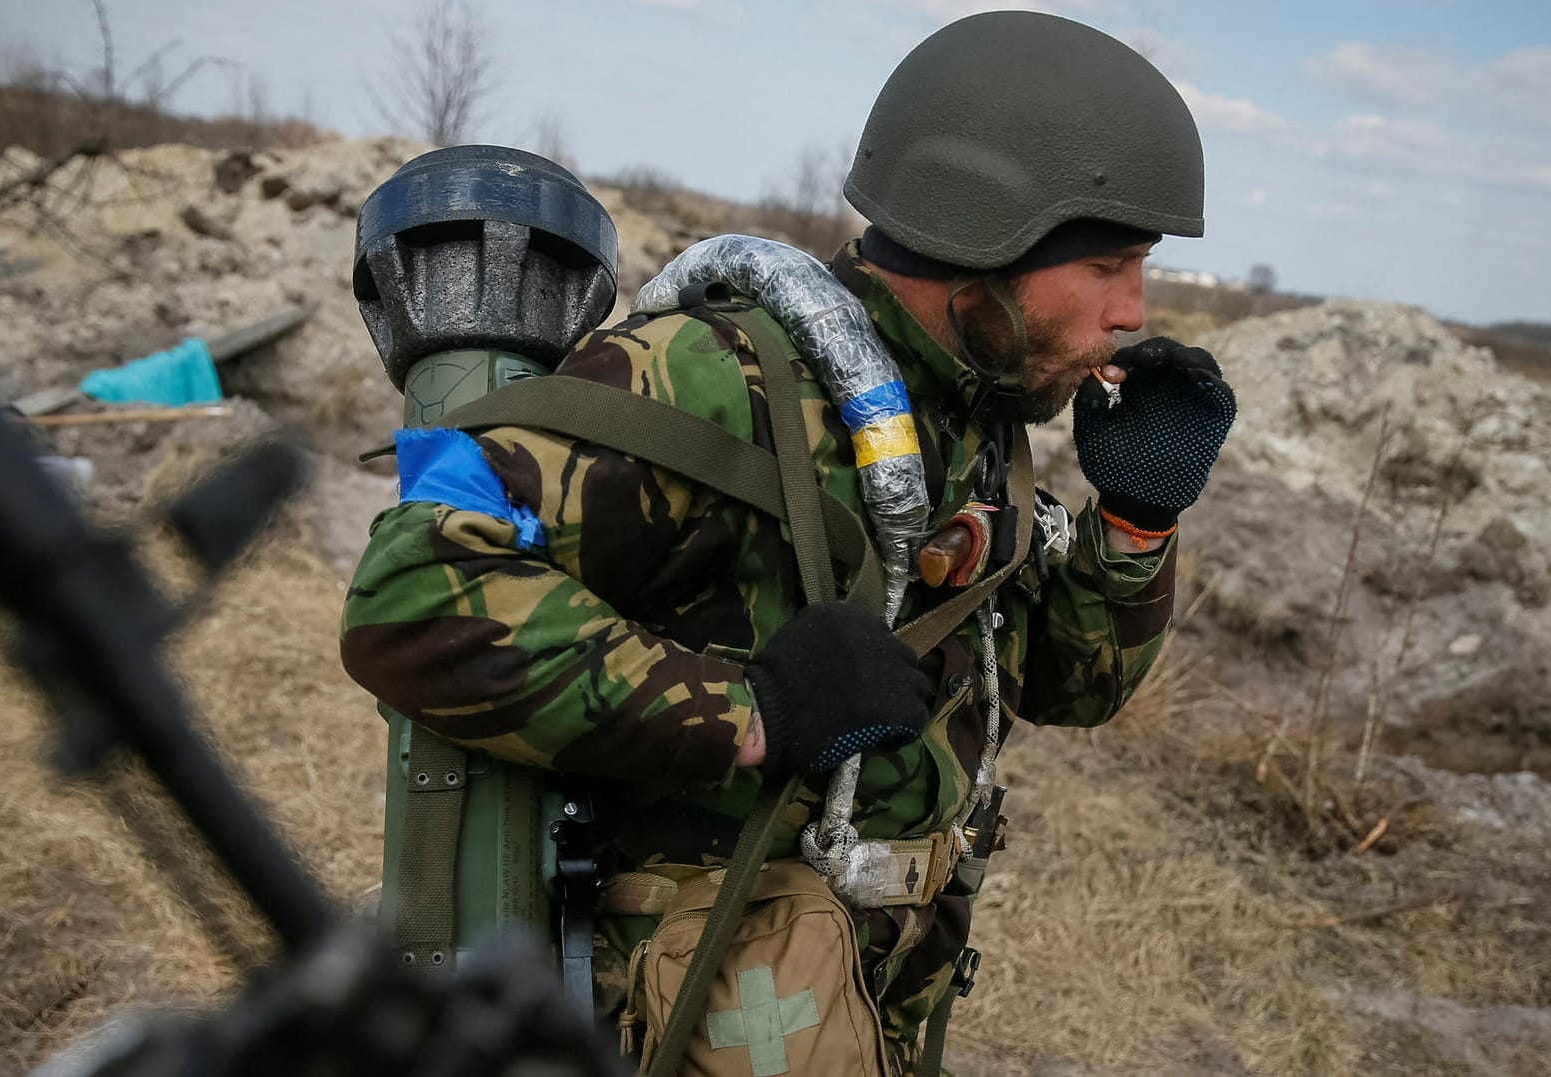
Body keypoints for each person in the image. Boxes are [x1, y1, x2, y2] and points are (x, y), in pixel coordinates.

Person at [341, 9, 1236, 1072]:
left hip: (867, 1004)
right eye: (1111, 267)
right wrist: (758, 711)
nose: (1133, 311)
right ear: (988, 232)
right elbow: (412, 592)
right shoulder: (714, 377)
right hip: (690, 1013)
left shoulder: (974, 415)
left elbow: (1065, 686)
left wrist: (1134, 521)